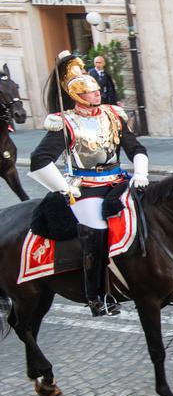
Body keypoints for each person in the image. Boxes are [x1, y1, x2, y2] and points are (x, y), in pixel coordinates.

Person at [29, 50, 149, 317]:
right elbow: (40, 159)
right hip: (85, 187)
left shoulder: (113, 116)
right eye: (91, 93)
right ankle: (96, 296)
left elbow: (135, 147)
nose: (97, 95)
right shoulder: (66, 123)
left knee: (151, 213)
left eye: (97, 91)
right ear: (76, 96)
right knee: (96, 231)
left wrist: (141, 171)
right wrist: (64, 187)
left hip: (118, 179)